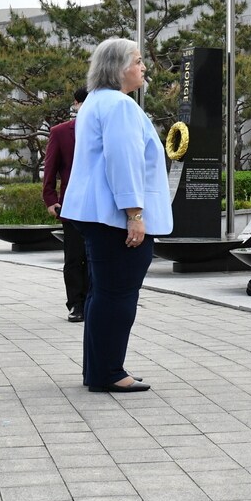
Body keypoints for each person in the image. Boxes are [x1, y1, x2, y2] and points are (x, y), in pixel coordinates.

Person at [61, 39, 171, 393]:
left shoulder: (95, 101)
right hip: (113, 216)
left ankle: (98, 369)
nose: (143, 68)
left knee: (101, 294)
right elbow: (122, 162)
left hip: (93, 213)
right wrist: (134, 213)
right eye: (138, 62)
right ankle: (109, 372)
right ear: (119, 68)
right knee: (117, 295)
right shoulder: (119, 105)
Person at [44, 86, 88, 323]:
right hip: (71, 204)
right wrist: (50, 199)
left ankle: (92, 300)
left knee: (94, 257)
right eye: (83, 103)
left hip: (99, 206)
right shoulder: (60, 132)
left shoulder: (104, 130)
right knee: (74, 257)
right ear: (76, 105)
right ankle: (75, 304)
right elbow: (50, 168)